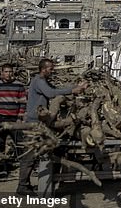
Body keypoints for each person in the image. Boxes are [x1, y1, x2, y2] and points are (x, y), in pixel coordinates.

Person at [17, 58, 87, 195]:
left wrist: (75, 88)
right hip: (34, 123)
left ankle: (45, 181)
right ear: (43, 69)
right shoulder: (39, 81)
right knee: (30, 155)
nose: (52, 71)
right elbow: (50, 93)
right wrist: (73, 90)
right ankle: (22, 186)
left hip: (41, 122)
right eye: (50, 69)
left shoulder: (43, 81)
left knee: (50, 150)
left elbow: (55, 90)